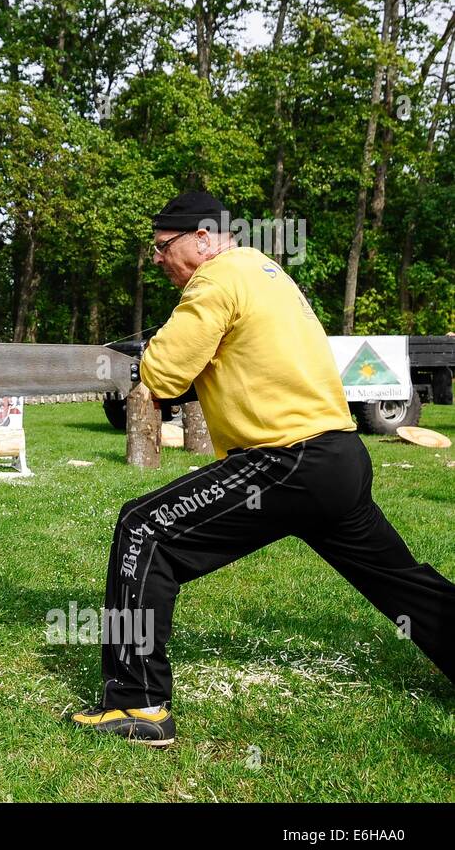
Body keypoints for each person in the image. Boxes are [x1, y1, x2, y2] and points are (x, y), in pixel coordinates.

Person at [71, 190, 455, 746]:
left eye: (162, 247)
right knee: (400, 582)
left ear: (202, 239)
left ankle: (137, 706)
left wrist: (144, 355)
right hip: (338, 458)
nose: (156, 260)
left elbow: (164, 376)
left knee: (144, 529)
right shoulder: (265, 270)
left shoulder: (215, 279)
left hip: (286, 458)